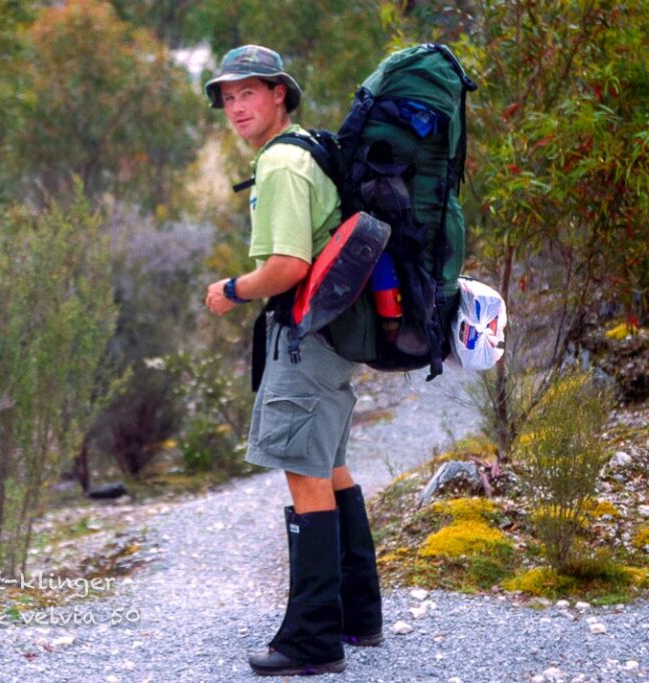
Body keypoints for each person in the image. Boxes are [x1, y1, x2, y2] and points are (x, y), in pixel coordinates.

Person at [203, 45, 383, 677]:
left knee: (304, 476)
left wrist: (231, 290)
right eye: (227, 97)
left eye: (247, 92)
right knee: (331, 468)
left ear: (280, 93)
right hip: (338, 337)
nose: (235, 107)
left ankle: (311, 640)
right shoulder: (309, 147)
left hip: (308, 337)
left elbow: (286, 269)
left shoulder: (281, 163)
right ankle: (359, 616)